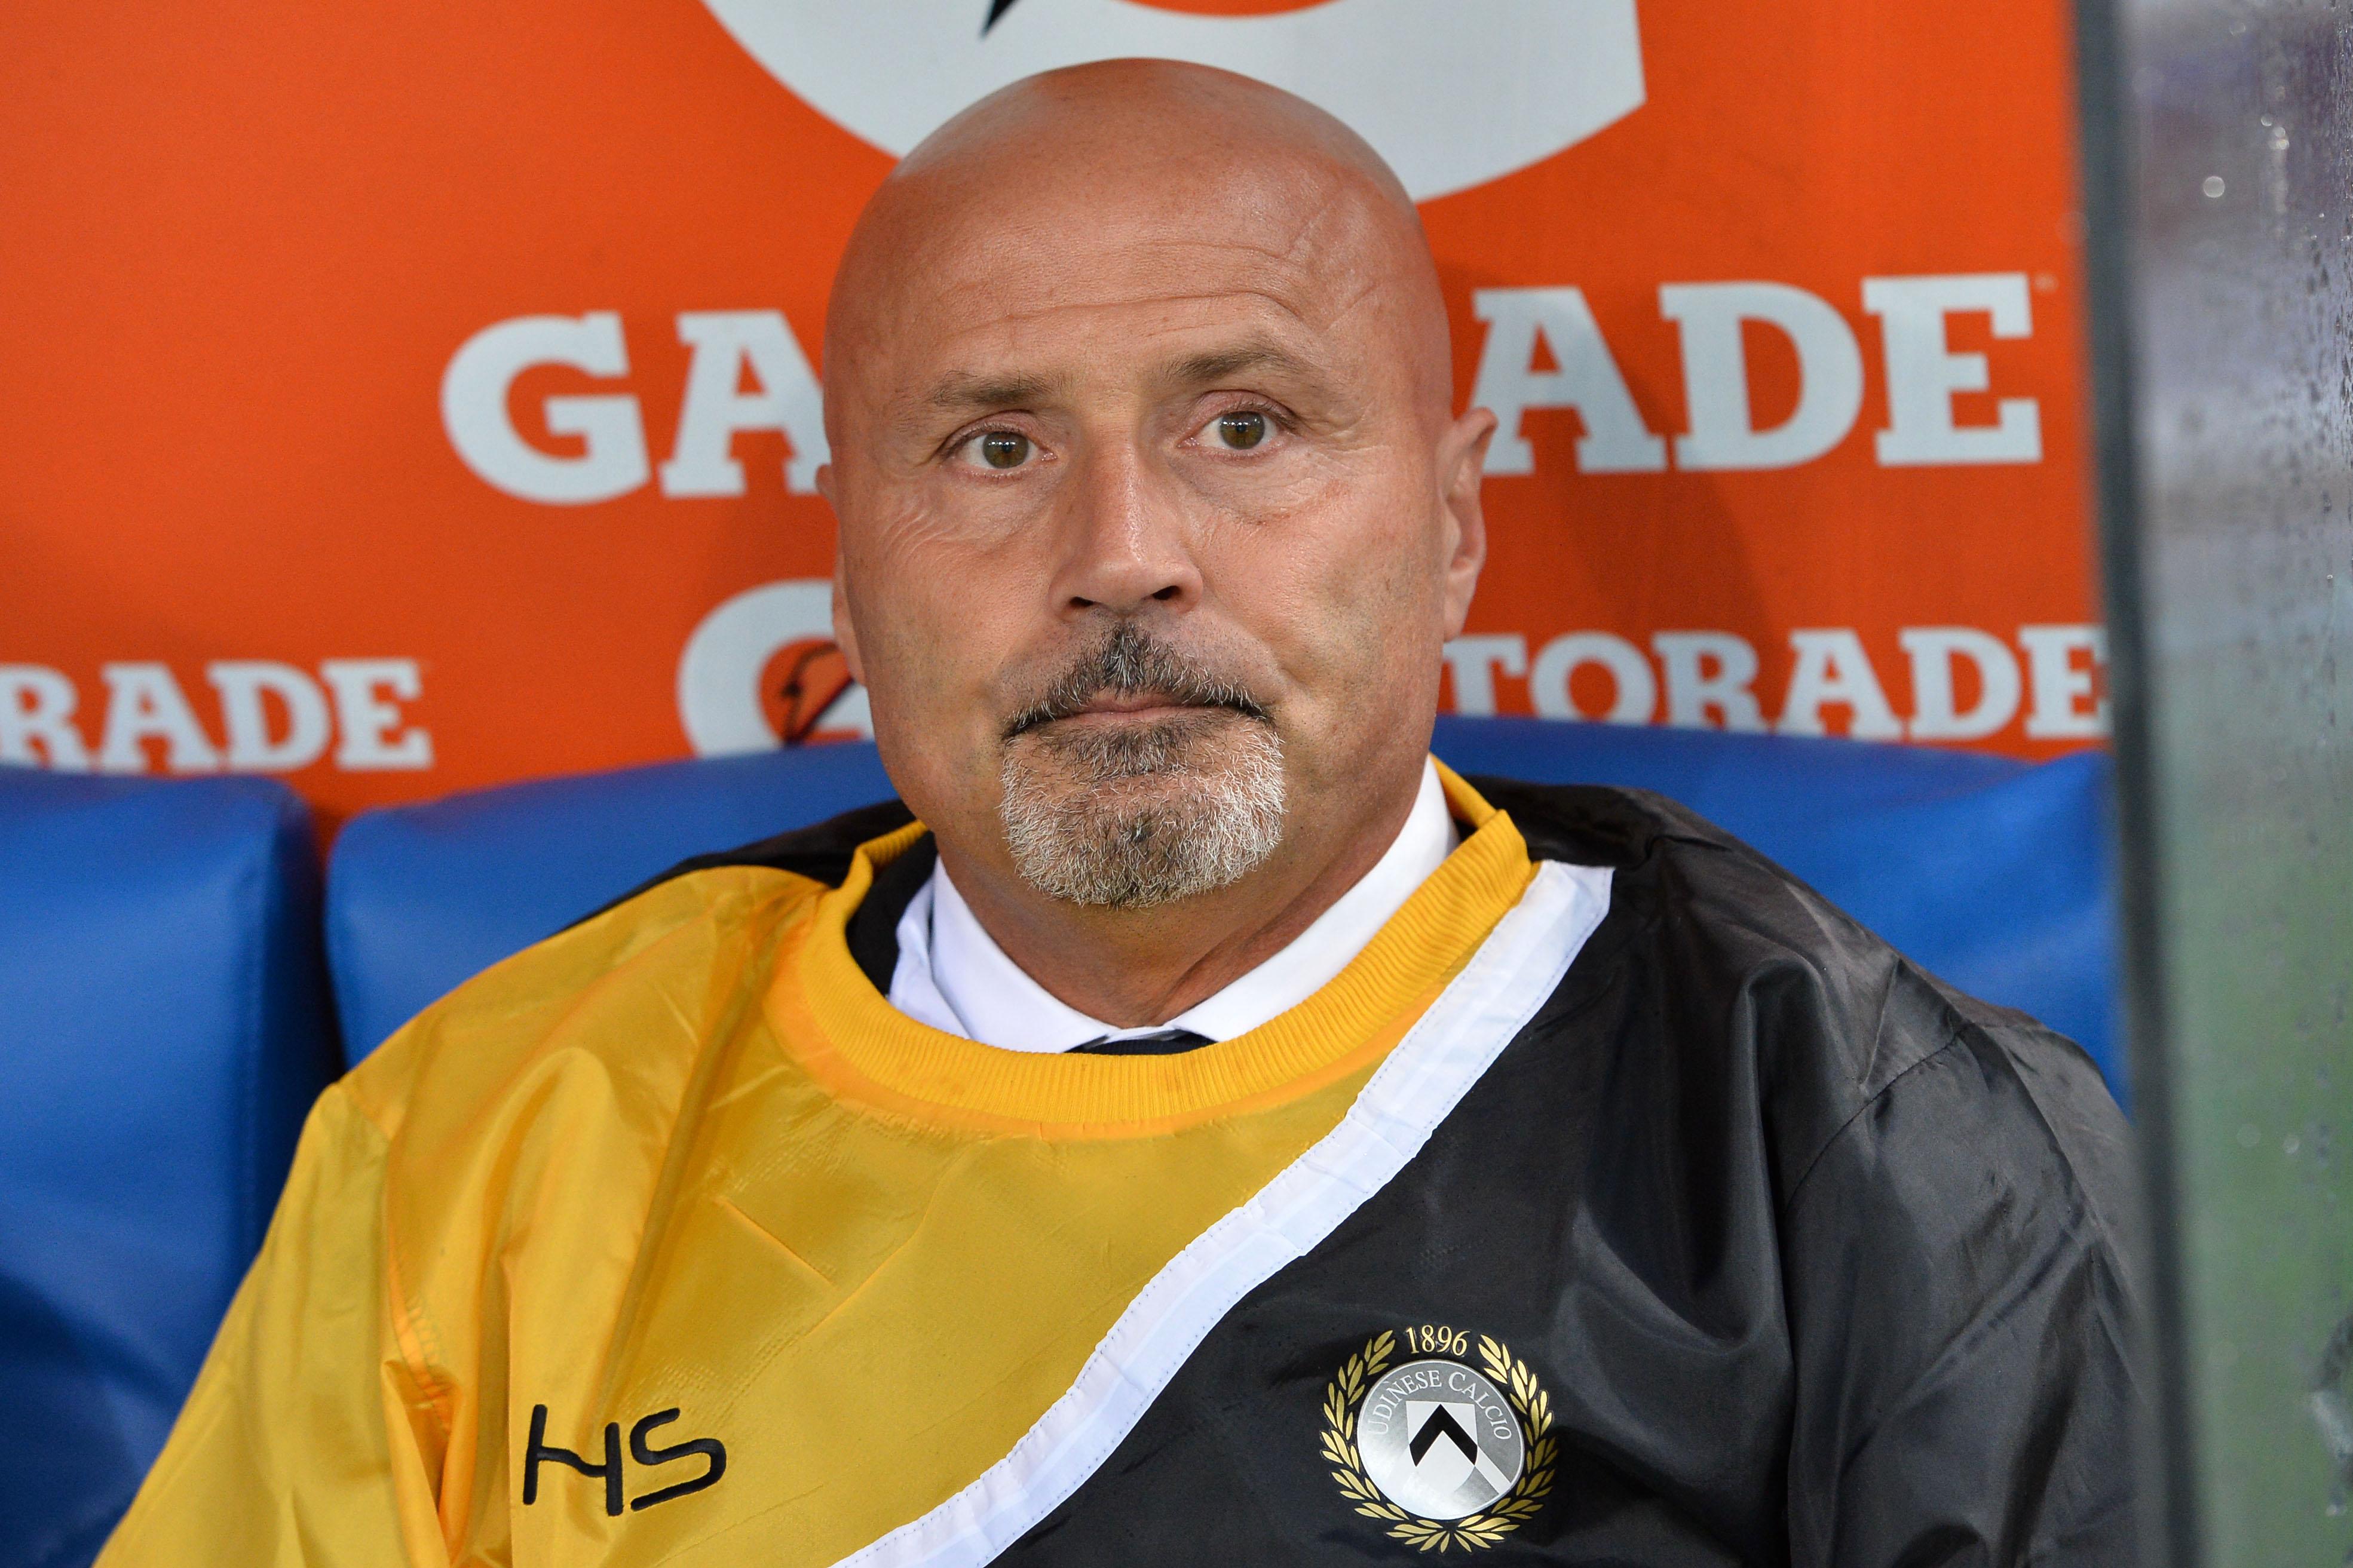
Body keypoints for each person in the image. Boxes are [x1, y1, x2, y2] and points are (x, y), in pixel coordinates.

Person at [100, 60, 2138, 1567]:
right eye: (994, 447)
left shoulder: (1860, 1131)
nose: (1121, 553)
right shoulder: (482, 1138)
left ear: (1448, 526)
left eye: (1243, 425)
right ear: (846, 573)